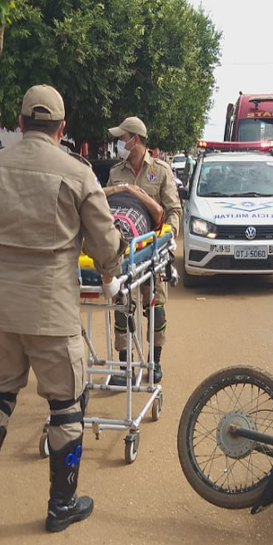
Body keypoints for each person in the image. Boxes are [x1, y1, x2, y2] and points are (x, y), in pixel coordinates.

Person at [0, 85, 126, 543]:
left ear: (22, 124)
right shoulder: (77, 172)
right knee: (66, 407)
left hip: (0, 310)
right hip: (52, 312)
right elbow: (106, 243)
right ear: (61, 128)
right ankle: (61, 506)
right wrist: (110, 272)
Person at [104, 116, 182, 385]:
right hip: (127, 248)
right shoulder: (116, 173)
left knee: (156, 308)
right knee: (122, 306)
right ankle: (125, 367)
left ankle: (154, 362)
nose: (119, 143)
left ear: (134, 139)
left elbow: (173, 211)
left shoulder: (160, 171)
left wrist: (166, 238)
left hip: (153, 250)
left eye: (122, 138)